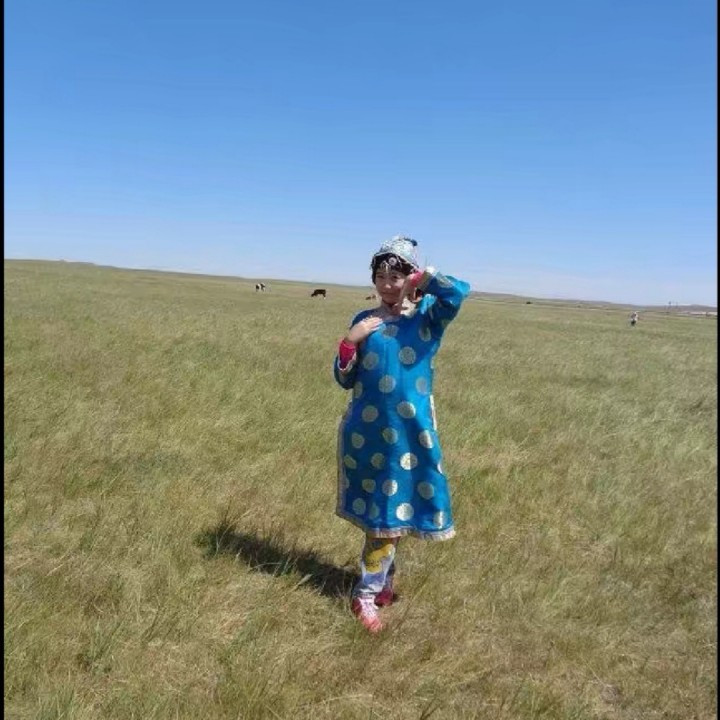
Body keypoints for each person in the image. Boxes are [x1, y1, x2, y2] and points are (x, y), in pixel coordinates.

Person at [333, 235, 470, 632]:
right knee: (383, 518)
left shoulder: (427, 316)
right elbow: (345, 379)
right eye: (380, 276)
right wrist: (350, 342)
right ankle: (365, 595)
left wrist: (423, 279)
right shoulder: (365, 320)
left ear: (410, 278)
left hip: (412, 436)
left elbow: (458, 293)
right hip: (368, 435)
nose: (387, 285)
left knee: (395, 515)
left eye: (396, 276)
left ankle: (381, 586)